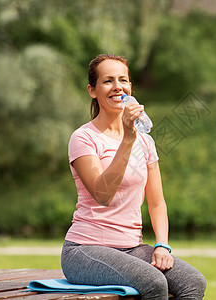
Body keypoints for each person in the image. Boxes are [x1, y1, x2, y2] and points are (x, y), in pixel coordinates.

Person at [61, 54, 207, 300]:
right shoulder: (84, 138)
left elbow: (157, 202)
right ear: (92, 91)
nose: (117, 86)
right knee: (154, 283)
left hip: (132, 248)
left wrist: (162, 244)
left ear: (130, 88)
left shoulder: (146, 141)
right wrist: (128, 137)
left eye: (123, 80)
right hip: (85, 249)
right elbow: (102, 194)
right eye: (108, 81)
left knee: (193, 283)